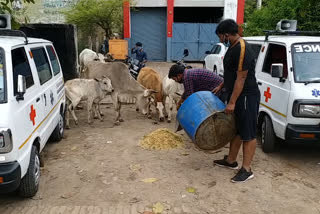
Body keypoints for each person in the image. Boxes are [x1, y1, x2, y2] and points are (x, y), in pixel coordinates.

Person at [212, 19, 260, 183]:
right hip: (236, 94)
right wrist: (222, 84)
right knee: (237, 130)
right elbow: (232, 73)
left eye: (220, 36)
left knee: (248, 133)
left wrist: (232, 102)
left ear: (226, 34)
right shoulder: (232, 47)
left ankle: (247, 169)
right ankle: (231, 161)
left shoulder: (242, 49)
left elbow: (241, 78)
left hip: (246, 96)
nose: (220, 39)